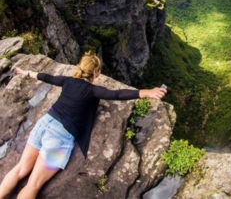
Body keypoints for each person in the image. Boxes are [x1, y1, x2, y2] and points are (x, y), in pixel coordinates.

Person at [0, 52, 167, 199]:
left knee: (19, 169)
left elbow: (47, 77)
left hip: (44, 123)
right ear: (96, 73)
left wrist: (26, 72)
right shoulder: (91, 90)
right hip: (59, 137)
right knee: (33, 185)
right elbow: (116, 94)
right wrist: (146, 92)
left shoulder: (67, 81)